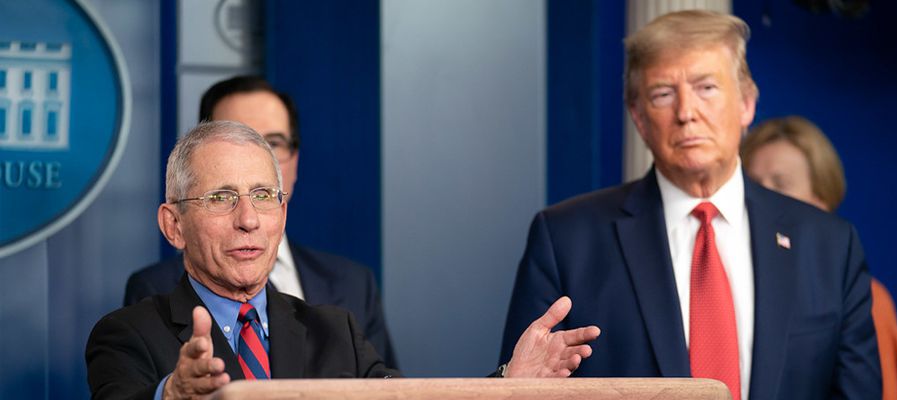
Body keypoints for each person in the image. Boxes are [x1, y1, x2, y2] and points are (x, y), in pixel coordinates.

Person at [499, 10, 880, 400]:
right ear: (639, 119)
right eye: (663, 94)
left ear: (746, 104)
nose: (686, 113)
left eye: (706, 88)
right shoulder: (566, 240)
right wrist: (512, 383)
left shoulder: (830, 246)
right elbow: (516, 386)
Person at [86, 121, 600, 399]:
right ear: (173, 225)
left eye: (264, 196)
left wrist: (508, 382)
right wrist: (173, 396)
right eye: (221, 198)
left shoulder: (335, 332)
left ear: (283, 214)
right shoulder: (126, 334)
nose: (249, 219)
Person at [123, 76, 398, 368]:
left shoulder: (353, 288)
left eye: (274, 143)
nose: (255, 155)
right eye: (237, 137)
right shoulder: (150, 296)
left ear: (294, 159)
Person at [741, 115, 897, 400]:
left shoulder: (866, 299)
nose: (763, 201)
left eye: (781, 184)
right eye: (753, 187)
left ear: (821, 201)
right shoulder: (728, 288)